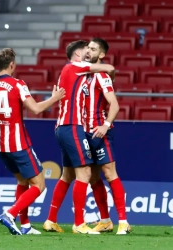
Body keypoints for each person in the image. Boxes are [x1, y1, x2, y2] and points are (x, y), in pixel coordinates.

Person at [0, 48, 66, 235]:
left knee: (22, 181)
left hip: (0, 145)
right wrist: (55, 98)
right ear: (12, 65)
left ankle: (25, 226)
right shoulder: (18, 84)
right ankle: (10, 214)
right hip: (18, 144)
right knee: (39, 185)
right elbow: (35, 109)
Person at [43, 40, 115, 234]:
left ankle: (50, 220)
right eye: (86, 50)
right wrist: (109, 71)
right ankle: (79, 223)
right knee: (85, 173)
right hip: (73, 127)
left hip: (61, 127)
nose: (88, 52)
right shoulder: (75, 67)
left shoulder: (66, 74)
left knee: (67, 175)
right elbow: (108, 67)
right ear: (78, 54)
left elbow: (55, 95)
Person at [84, 38, 131, 235]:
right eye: (88, 47)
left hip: (100, 131)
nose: (88, 51)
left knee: (110, 174)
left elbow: (115, 104)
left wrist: (104, 125)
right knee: (93, 177)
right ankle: (105, 220)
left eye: (93, 49)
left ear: (101, 55)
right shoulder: (83, 73)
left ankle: (123, 221)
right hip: (84, 131)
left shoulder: (101, 75)